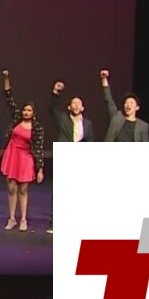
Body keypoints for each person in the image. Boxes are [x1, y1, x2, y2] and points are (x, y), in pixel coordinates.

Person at [46, 79, 94, 234]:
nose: (76, 105)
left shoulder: (87, 124)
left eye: (79, 103)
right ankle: (54, 222)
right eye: (73, 103)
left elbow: (90, 142)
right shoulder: (63, 119)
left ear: (83, 107)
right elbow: (52, 108)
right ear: (69, 107)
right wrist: (56, 92)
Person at [0, 70, 45, 232]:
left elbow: (38, 148)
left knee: (23, 189)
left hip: (26, 157)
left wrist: (40, 169)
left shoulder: (37, 128)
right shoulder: (17, 118)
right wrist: (6, 78)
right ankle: (12, 218)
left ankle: (23, 219)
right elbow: (9, 98)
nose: (26, 112)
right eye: (25, 110)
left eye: (29, 110)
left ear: (34, 113)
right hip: (12, 154)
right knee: (11, 188)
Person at [101, 70, 149, 142]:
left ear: (137, 107)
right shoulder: (117, 117)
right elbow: (109, 100)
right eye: (126, 102)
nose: (128, 104)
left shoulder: (143, 126)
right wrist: (104, 79)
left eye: (131, 103)